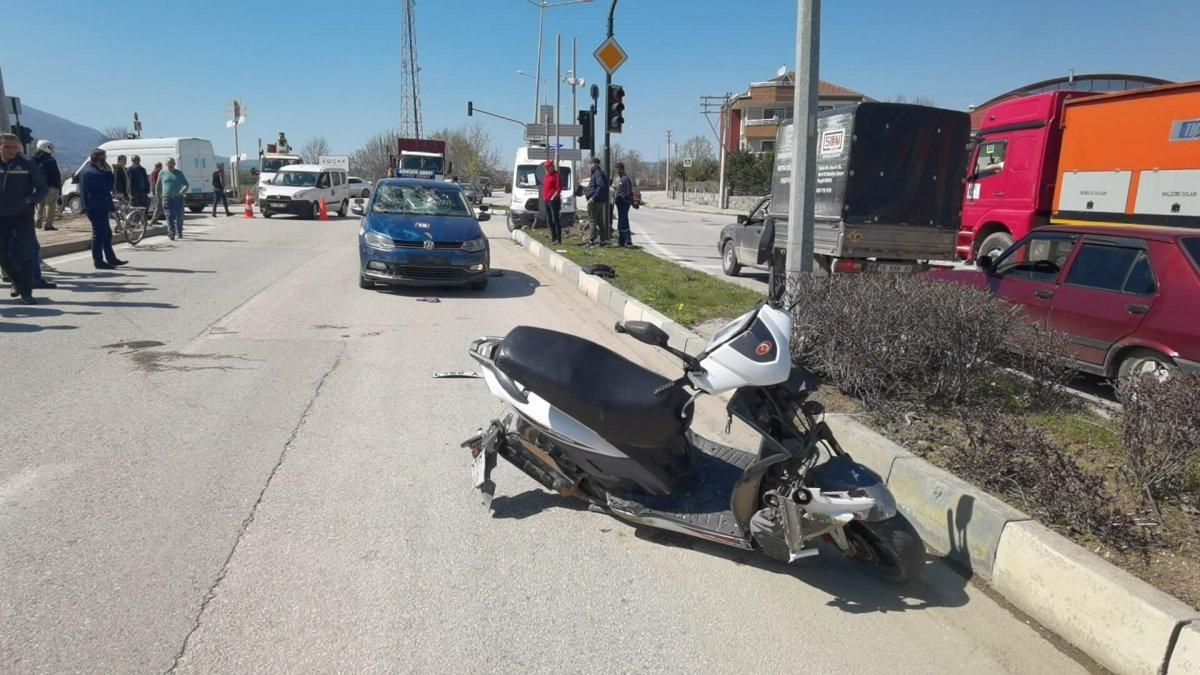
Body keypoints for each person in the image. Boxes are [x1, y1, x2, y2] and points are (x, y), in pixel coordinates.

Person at [0, 133, 48, 304]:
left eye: (15, 147)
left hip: (22, 215)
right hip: (2, 217)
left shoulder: (27, 164)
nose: (12, 151)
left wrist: (30, 200)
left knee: (26, 253)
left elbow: (42, 189)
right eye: (7, 147)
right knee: (2, 253)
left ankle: (26, 292)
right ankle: (17, 281)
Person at [78, 148, 127, 270]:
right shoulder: (92, 172)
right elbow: (108, 186)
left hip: (98, 206)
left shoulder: (92, 170)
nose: (105, 162)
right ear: (99, 159)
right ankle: (98, 261)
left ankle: (111, 258)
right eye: (104, 159)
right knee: (99, 234)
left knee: (106, 234)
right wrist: (109, 172)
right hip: (96, 207)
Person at [33, 140, 61, 231]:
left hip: (39, 186)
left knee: (40, 204)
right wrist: (59, 187)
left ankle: (38, 219)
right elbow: (56, 174)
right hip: (51, 185)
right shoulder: (50, 160)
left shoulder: (34, 159)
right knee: (51, 205)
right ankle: (48, 225)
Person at [157, 157, 189, 240]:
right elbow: (158, 186)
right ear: (166, 164)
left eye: (172, 163)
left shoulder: (179, 173)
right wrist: (158, 197)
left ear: (175, 164)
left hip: (178, 198)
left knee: (179, 216)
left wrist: (183, 190)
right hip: (166, 198)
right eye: (169, 163)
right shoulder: (162, 173)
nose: (170, 164)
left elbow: (186, 184)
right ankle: (171, 233)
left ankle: (179, 231)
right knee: (169, 216)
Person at [584, 157, 609, 246]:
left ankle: (591, 240)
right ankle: (602, 240)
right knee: (599, 221)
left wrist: (593, 198)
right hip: (599, 200)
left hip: (595, 201)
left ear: (595, 164)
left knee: (592, 220)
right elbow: (594, 186)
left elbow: (600, 186)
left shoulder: (598, 174)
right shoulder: (596, 173)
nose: (589, 165)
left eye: (590, 163)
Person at [540, 159, 563, 244]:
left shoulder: (556, 175)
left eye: (551, 166)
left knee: (555, 219)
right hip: (546, 200)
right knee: (549, 219)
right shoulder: (547, 176)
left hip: (553, 200)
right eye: (548, 167)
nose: (549, 168)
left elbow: (559, 188)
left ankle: (558, 239)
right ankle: (553, 238)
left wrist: (554, 196)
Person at [614, 162, 634, 247]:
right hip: (620, 202)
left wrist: (629, 201)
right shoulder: (620, 179)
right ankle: (627, 240)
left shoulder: (626, 179)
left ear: (622, 169)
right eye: (616, 170)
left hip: (624, 202)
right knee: (624, 221)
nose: (617, 172)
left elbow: (629, 192)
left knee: (622, 222)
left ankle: (622, 241)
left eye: (618, 170)